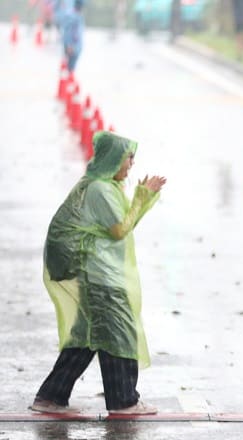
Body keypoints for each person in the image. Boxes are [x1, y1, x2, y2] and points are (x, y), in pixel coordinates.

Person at [30, 131, 167, 416]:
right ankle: (123, 401)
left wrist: (143, 199)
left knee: (87, 336)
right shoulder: (100, 190)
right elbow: (119, 230)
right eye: (128, 158)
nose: (131, 164)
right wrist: (143, 197)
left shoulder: (104, 186)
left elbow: (122, 226)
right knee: (118, 332)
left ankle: (51, 397)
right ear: (112, 159)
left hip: (98, 272)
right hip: (98, 275)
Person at [60, 0, 84, 72]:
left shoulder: (75, 16)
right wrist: (69, 45)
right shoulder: (74, 17)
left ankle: (68, 79)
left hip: (73, 47)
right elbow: (70, 32)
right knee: (69, 69)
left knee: (69, 69)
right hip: (72, 47)